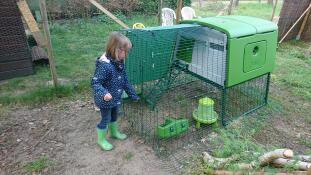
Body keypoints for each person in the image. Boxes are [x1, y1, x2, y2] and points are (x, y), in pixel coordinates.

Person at [91, 32, 139, 151]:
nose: (126, 55)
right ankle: (101, 140)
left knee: (114, 115)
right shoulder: (105, 66)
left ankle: (113, 132)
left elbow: (125, 80)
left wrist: (132, 94)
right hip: (105, 100)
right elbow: (95, 82)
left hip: (116, 98)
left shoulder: (119, 63)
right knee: (105, 119)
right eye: (124, 51)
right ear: (116, 50)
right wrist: (104, 93)